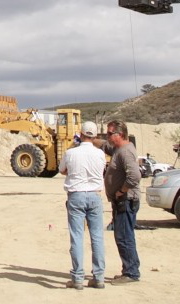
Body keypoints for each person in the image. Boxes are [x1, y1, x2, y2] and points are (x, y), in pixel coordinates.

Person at [60, 122, 106, 290]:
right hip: (94, 195)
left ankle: (78, 277)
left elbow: (62, 170)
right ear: (95, 136)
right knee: (97, 237)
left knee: (77, 236)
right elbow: (101, 171)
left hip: (76, 195)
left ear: (80, 134)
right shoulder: (100, 154)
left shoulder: (71, 152)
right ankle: (99, 277)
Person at [105, 121, 142, 284]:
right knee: (124, 235)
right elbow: (106, 147)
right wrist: (91, 140)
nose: (107, 137)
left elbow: (134, 176)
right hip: (123, 201)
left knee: (124, 237)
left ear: (119, 135)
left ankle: (131, 273)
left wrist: (121, 191)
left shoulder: (125, 152)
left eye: (109, 134)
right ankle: (129, 270)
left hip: (125, 201)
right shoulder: (119, 149)